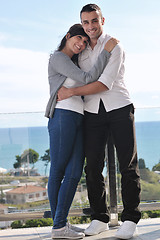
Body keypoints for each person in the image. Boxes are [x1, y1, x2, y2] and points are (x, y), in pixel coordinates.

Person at [57, 4, 141, 240]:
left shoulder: (114, 45)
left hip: (119, 108)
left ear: (103, 20)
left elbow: (104, 83)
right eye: (86, 22)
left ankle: (131, 219)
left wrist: (71, 93)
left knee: (128, 165)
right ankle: (99, 217)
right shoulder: (81, 49)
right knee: (92, 166)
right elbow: (63, 66)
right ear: (81, 24)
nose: (90, 26)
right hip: (91, 112)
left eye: (94, 21)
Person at [45, 23, 118, 239]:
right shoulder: (58, 57)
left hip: (79, 116)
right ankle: (59, 226)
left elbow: (84, 82)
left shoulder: (74, 62)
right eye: (78, 38)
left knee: (75, 171)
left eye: (85, 41)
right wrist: (106, 51)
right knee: (58, 170)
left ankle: (62, 223)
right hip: (62, 116)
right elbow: (88, 79)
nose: (81, 43)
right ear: (68, 36)